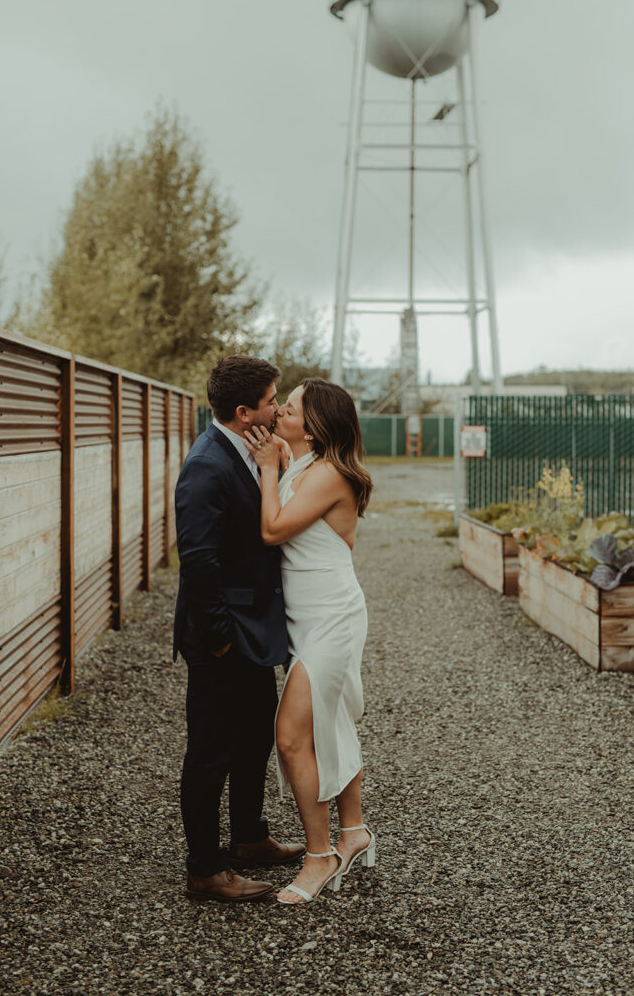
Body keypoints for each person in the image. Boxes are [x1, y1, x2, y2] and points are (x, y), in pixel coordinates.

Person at [173, 355, 305, 903]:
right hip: (221, 635)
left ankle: (249, 837)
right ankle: (206, 867)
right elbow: (198, 561)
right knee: (211, 750)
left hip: (253, 628)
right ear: (244, 410)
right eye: (274, 400)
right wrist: (222, 635)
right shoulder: (206, 464)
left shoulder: (250, 450)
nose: (278, 408)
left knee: (254, 738)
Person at [243, 378, 375, 905]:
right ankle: (354, 831)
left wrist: (269, 469)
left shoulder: (327, 473)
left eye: (290, 408)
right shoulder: (304, 465)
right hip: (306, 617)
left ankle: (319, 856)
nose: (278, 413)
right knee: (331, 722)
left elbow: (273, 530)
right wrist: (276, 461)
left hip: (332, 618)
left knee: (292, 736)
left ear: (314, 424)